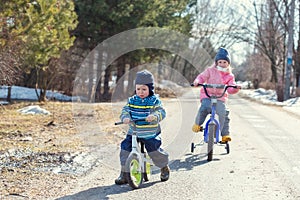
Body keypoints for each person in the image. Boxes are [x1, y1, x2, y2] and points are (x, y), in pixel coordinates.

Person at [115, 69, 170, 185]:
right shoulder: (132, 100)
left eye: (144, 89)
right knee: (125, 148)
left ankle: (164, 167)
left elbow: (161, 112)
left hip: (149, 132)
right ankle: (124, 173)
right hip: (134, 131)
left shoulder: (154, 100)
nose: (141, 92)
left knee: (154, 150)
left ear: (150, 89)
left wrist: (154, 116)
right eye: (138, 89)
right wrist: (125, 117)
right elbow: (125, 110)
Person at [192, 47, 241, 143]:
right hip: (208, 95)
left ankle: (225, 135)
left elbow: (231, 87)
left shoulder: (229, 75)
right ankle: (197, 124)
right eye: (220, 62)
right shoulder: (210, 71)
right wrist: (197, 81)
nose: (222, 64)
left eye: (224, 62)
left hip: (220, 97)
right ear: (216, 63)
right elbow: (202, 77)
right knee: (204, 108)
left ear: (228, 64)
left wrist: (235, 88)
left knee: (224, 113)